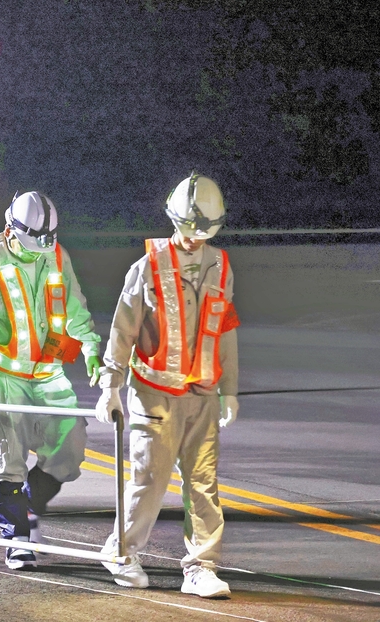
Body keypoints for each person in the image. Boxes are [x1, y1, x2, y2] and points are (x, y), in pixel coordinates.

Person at [96, 172, 239, 598]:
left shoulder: (221, 266)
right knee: (149, 479)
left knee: (203, 484)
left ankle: (201, 567)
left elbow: (226, 328)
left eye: (205, 231)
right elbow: (123, 331)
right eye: (190, 228)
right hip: (154, 394)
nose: (197, 238)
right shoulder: (146, 269)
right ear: (174, 221)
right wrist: (111, 386)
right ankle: (120, 553)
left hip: (202, 397)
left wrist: (229, 388)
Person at [0, 191, 102, 570]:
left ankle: (28, 509)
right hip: (2, 378)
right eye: (37, 241)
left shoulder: (55, 254)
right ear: (12, 229)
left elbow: (74, 304)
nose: (42, 249)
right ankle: (17, 538)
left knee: (70, 448)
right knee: (7, 462)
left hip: (48, 374)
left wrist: (90, 348)